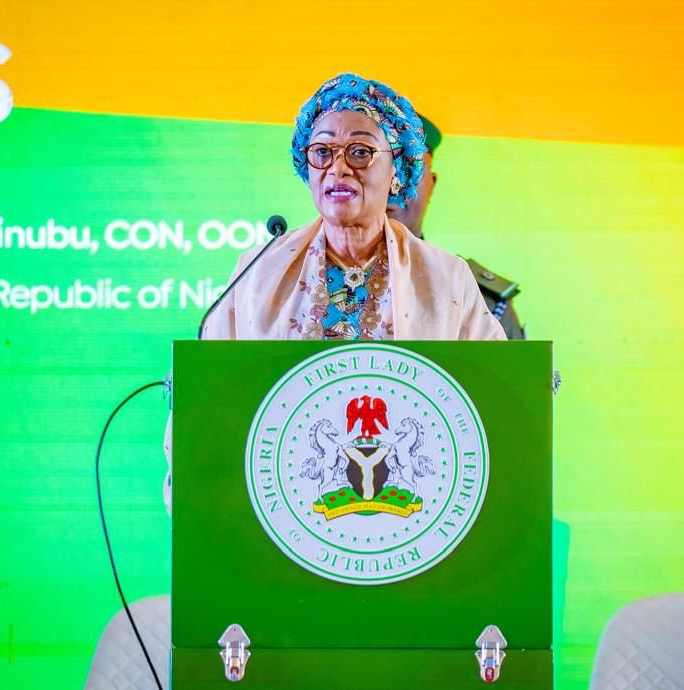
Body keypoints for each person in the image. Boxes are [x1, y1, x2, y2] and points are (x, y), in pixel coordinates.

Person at [164, 73, 505, 513]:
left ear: (398, 170)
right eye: (322, 152)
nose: (338, 168)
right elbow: (209, 410)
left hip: (415, 515)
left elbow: (494, 410)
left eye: (360, 152)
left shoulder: (446, 278)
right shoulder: (257, 272)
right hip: (278, 510)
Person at [387, 114, 525, 339]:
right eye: (377, 169)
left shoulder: (479, 301)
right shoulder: (321, 289)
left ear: (431, 185)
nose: (394, 185)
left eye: (411, 170)